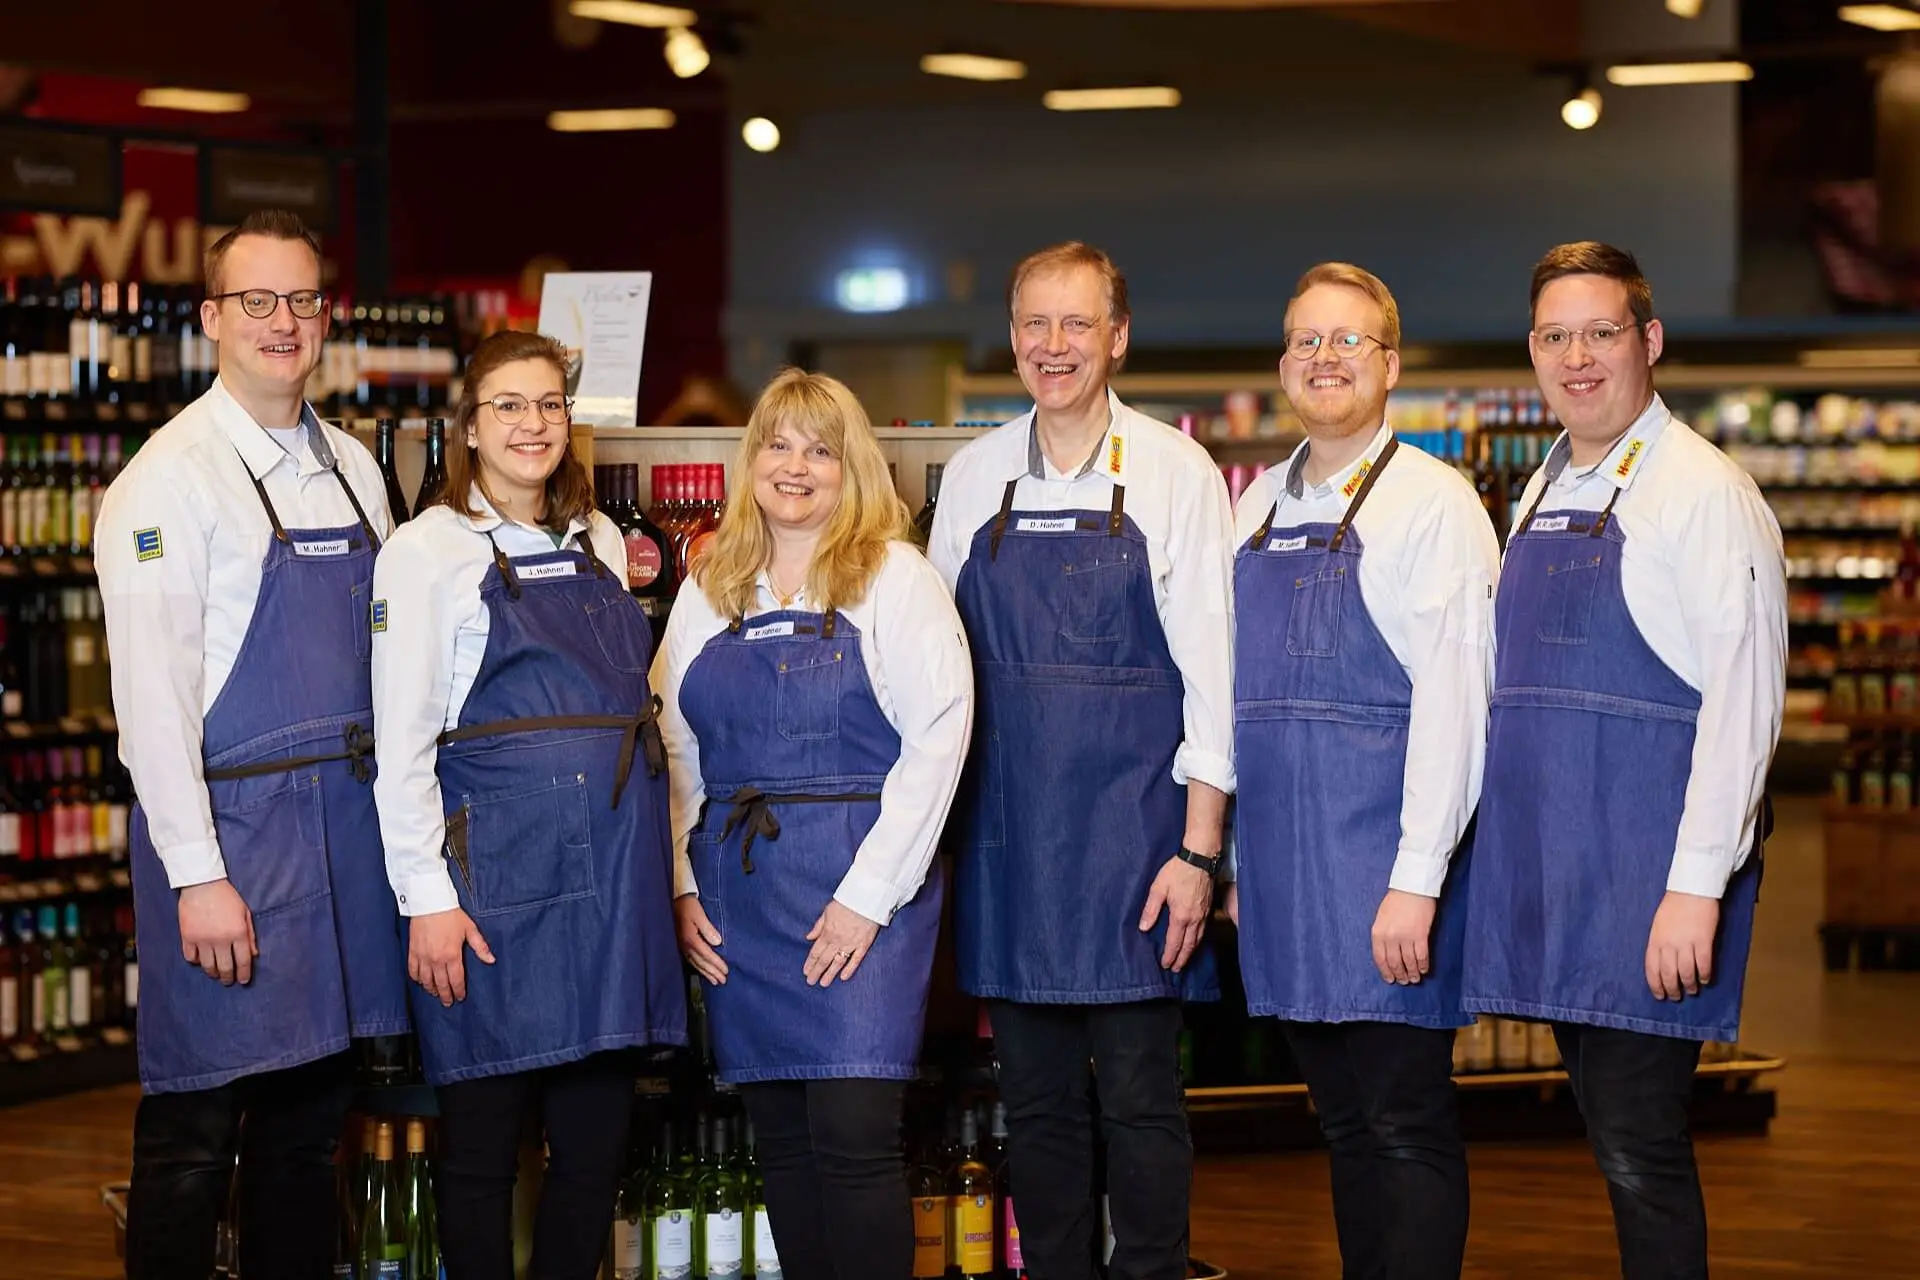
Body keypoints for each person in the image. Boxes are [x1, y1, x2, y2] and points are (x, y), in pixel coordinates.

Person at [1463, 242, 1786, 1280]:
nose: (1578, 357)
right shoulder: (1548, 483)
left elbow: (1745, 705)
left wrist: (1696, 888)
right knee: (1611, 1138)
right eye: (1556, 336)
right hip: (1564, 871)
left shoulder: (1705, 491)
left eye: (1601, 332)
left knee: (1642, 1148)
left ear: (1648, 340)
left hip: (1650, 881)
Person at [96, 208, 407, 1280]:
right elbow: (151, 705)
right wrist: (197, 877)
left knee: (307, 1135)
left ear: (327, 317)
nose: (285, 322)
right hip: (232, 845)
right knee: (193, 1133)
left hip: (341, 848)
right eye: (258, 301)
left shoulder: (360, 472)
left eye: (303, 300)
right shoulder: (165, 482)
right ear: (213, 317)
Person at [927, 241, 1235, 1280]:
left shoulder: (1175, 470)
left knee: (1143, 1098)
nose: (1053, 346)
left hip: (1136, 840)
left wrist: (1199, 852)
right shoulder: (973, 477)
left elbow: (1214, 678)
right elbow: (937, 677)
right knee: (1040, 1103)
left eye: (1076, 324)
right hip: (1011, 839)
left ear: (1118, 337)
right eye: (1034, 324)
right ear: (1013, 339)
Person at [369, 330, 685, 1280]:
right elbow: (403, 745)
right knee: (479, 1156)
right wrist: (426, 898)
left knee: (592, 1155)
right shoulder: (426, 553)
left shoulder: (595, 541)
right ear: (469, 427)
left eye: (548, 404)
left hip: (609, 888)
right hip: (491, 893)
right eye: (507, 405)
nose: (531, 424)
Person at [657, 369, 972, 1280]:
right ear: (750, 459)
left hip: (862, 886)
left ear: (853, 468)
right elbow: (676, 749)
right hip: (739, 897)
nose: (796, 467)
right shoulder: (712, 585)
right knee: (782, 1141)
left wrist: (866, 901)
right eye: (778, 444)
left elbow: (939, 741)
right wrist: (683, 884)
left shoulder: (893, 578)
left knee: (853, 1137)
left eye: (821, 450)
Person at [1226, 263, 1496, 1280]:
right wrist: (1244, 869)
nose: (1323, 358)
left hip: (1388, 868)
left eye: (1347, 341)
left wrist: (1416, 877)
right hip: (1291, 877)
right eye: (1305, 339)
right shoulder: (1256, 508)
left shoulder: (1435, 504)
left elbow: (1459, 706)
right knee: (1341, 1121)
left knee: (1404, 1120)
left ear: (1390, 364)